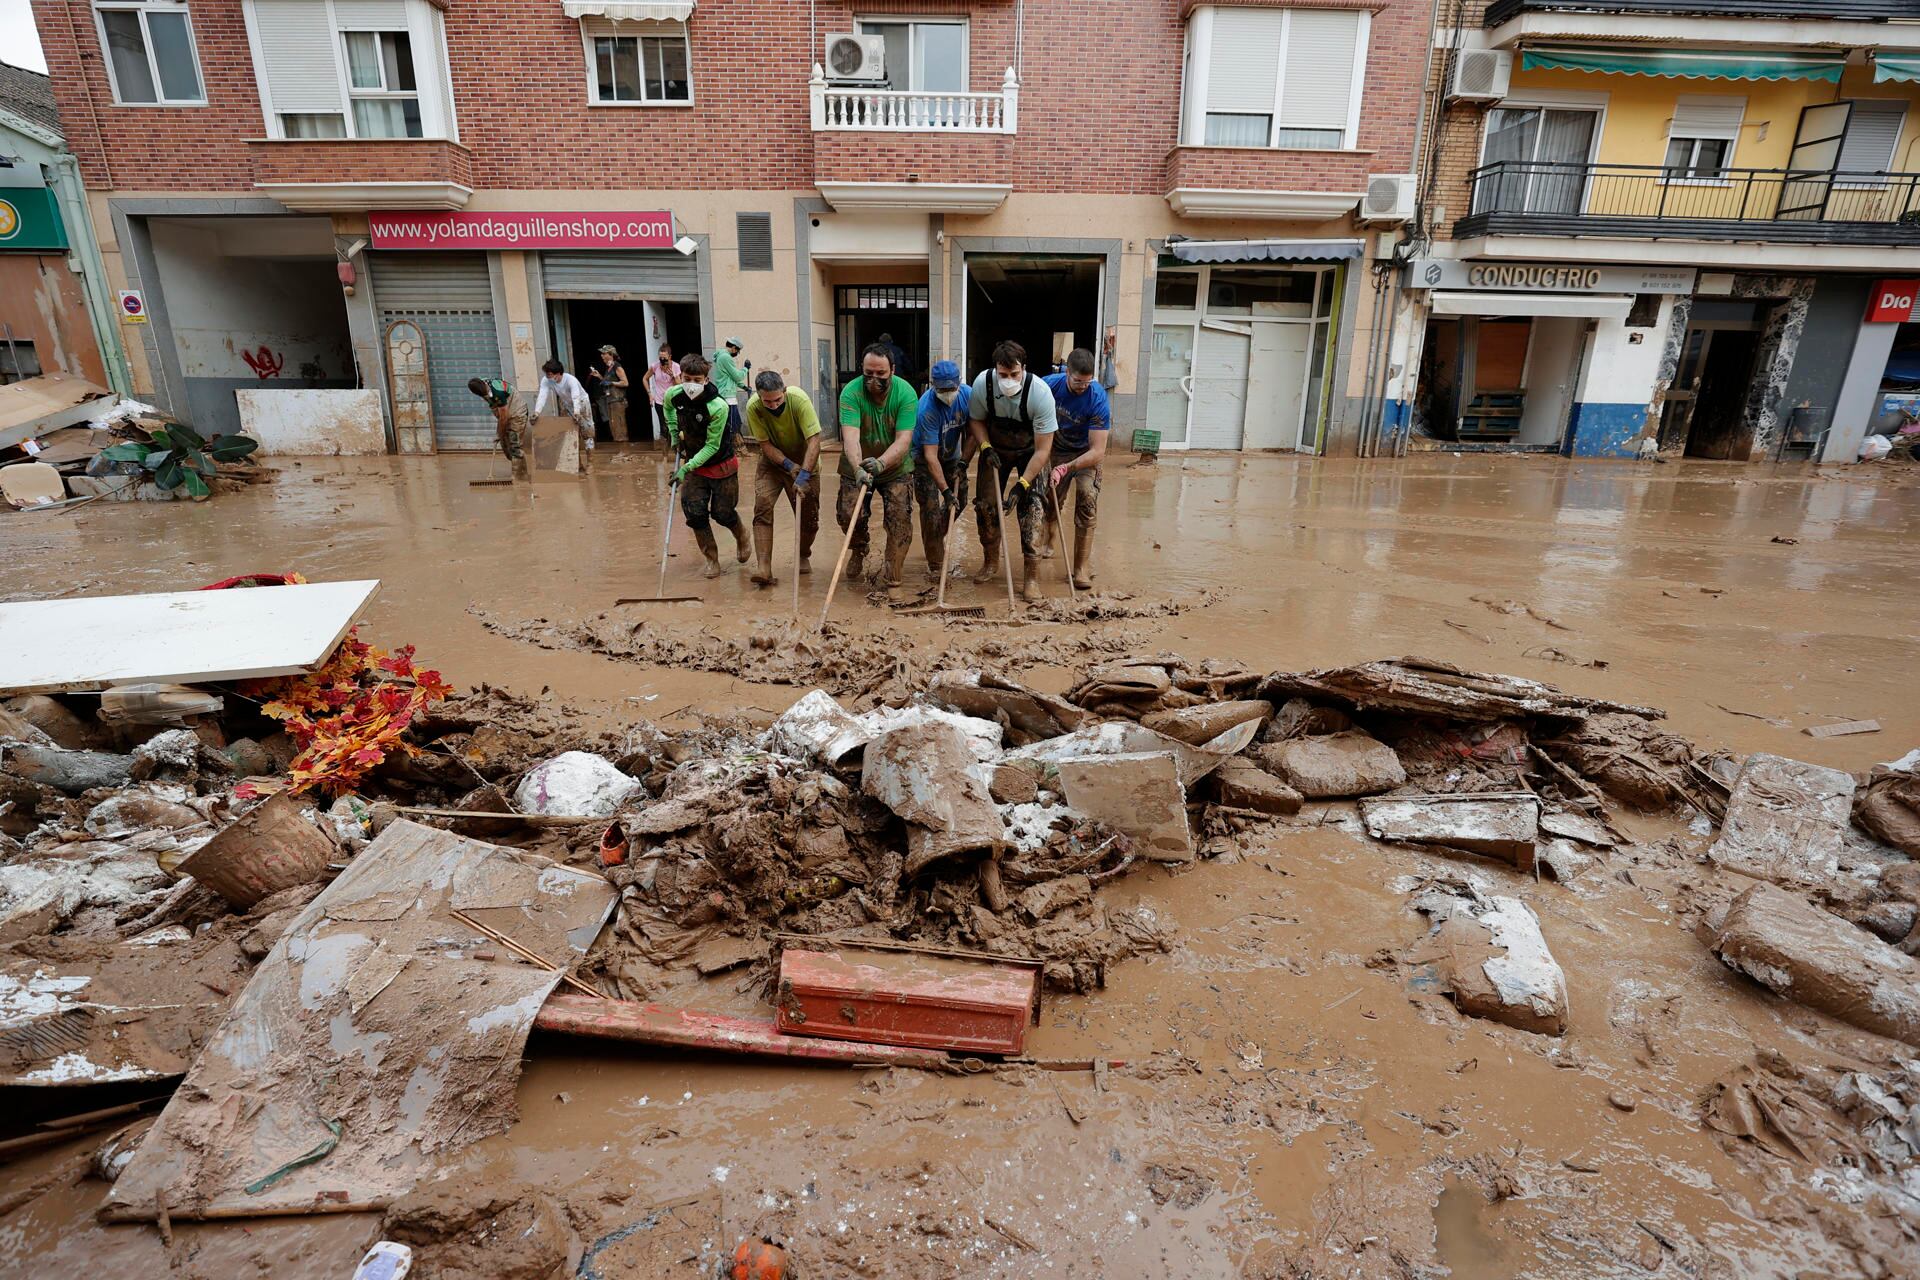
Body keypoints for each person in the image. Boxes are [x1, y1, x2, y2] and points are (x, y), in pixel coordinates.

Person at [967, 340, 1057, 602]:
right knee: (985, 506)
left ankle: (1031, 577)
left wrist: (1023, 485)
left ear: (1024, 369)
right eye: (1002, 375)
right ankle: (991, 561)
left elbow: (1043, 450)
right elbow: (976, 419)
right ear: (995, 369)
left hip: (1032, 452)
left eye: (1014, 375)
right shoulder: (983, 384)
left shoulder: (1040, 394)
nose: (1008, 380)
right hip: (996, 449)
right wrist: (984, 447)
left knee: (1033, 510)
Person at [835, 342, 918, 588]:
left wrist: (882, 463)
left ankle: (893, 571)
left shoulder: (906, 393)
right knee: (848, 514)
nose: (874, 379)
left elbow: (904, 439)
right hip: (857, 463)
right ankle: (859, 549)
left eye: (880, 374)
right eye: (868, 373)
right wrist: (858, 468)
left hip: (894, 467)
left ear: (892, 369)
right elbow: (850, 437)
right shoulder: (850, 392)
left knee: (899, 518)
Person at [663, 353, 749, 577]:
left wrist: (684, 469)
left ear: (706, 380)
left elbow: (712, 446)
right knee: (694, 512)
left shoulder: (717, 406)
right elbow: (668, 409)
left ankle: (741, 535)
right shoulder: (674, 395)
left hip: (720, 464)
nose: (691, 384)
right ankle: (711, 559)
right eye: (687, 378)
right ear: (680, 376)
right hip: (694, 467)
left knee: (722, 513)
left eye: (697, 380)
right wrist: (674, 433)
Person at [743, 369, 822, 586]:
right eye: (767, 402)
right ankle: (764, 568)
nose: (774, 405)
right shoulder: (753, 407)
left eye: (777, 399)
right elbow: (765, 444)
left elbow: (815, 441)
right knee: (762, 507)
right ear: (759, 396)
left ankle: (803, 554)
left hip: (806, 461)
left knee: (809, 519)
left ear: (784, 392)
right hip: (773, 463)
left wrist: (804, 473)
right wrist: (787, 465)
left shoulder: (799, 400)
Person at [1043, 347, 1110, 591]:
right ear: (1066, 372)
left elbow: (1098, 451)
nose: (1083, 386)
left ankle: (1080, 568)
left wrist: (1067, 467)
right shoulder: (1049, 386)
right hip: (1057, 448)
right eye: (1078, 381)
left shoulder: (1097, 398)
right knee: (1051, 499)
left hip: (1086, 454)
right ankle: (1049, 537)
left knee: (1086, 498)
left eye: (1088, 382)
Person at [910, 359, 972, 582]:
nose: (947, 394)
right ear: (933, 386)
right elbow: (930, 456)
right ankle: (936, 565)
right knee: (930, 507)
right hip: (923, 459)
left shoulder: (967, 395)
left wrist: (964, 462)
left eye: (951, 389)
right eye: (942, 390)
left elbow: (972, 432)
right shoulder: (927, 409)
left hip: (952, 456)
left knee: (961, 499)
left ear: (959, 383)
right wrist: (945, 491)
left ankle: (935, 536)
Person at [533, 358, 594, 468]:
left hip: (581, 403)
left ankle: (590, 463)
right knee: (569, 434)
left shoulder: (571, 380)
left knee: (587, 432)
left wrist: (577, 412)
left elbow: (576, 396)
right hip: (566, 404)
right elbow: (542, 396)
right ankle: (578, 464)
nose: (548, 377)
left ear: (558, 373)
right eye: (547, 374)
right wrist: (537, 412)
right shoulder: (546, 380)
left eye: (550, 374)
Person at [467, 376, 529, 479]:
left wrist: (499, 432)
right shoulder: (481, 387)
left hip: (518, 412)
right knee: (506, 446)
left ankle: (518, 478)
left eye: (485, 393)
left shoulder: (497, 392)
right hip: (505, 411)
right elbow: (499, 413)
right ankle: (520, 468)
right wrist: (500, 434)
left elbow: (504, 417)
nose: (484, 396)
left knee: (515, 445)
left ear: (484, 385)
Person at [585, 344, 629, 443]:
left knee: (619, 428)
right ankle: (619, 453)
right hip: (611, 401)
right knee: (614, 427)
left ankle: (624, 453)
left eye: (604, 353)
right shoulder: (609, 367)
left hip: (618, 401)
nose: (602, 356)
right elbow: (607, 382)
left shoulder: (617, 366)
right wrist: (600, 376)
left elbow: (625, 382)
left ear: (611, 354)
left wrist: (611, 382)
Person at [712, 336, 751, 442]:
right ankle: (732, 450)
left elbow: (732, 377)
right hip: (727, 396)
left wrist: (744, 387)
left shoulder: (722, 356)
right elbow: (737, 376)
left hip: (727, 394)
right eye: (738, 351)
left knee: (737, 423)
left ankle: (740, 448)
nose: (737, 354)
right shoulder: (725, 357)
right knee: (731, 426)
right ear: (734, 347)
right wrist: (745, 369)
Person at [644, 343, 680, 445]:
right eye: (660, 358)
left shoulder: (676, 366)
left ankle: (677, 454)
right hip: (660, 402)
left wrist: (673, 376)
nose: (662, 361)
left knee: (676, 427)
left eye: (665, 358)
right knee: (664, 428)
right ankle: (664, 457)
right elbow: (645, 379)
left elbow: (680, 386)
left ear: (670, 357)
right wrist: (650, 394)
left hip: (673, 401)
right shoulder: (655, 366)